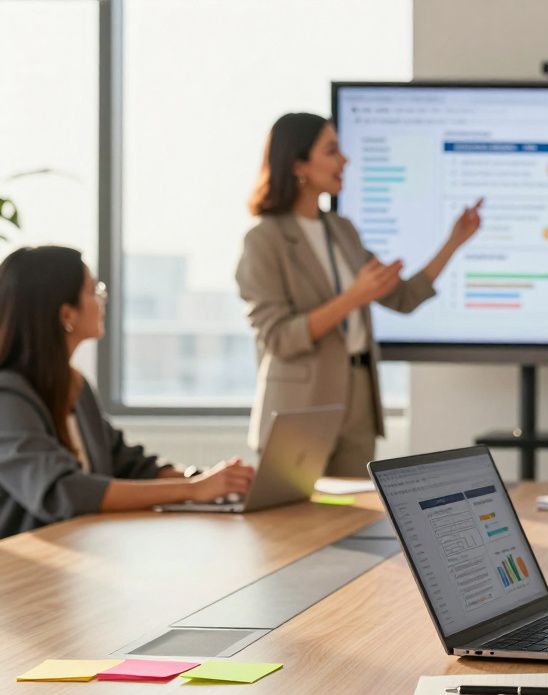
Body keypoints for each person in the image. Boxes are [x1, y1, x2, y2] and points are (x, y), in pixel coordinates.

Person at [237, 112, 483, 477]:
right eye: (332, 151)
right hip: (301, 406)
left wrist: (453, 242)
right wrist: (352, 298)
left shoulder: (342, 230)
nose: (345, 160)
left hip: (358, 397)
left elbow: (404, 297)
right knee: (293, 526)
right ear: (298, 164)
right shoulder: (264, 240)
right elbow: (279, 338)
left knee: (354, 523)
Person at [0, 246, 254, 539]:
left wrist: (213, 480)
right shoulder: (7, 397)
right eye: (94, 290)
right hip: (27, 571)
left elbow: (129, 465)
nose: (103, 299)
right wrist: (194, 489)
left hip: (83, 551)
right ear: (66, 314)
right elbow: (62, 491)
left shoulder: (76, 387)